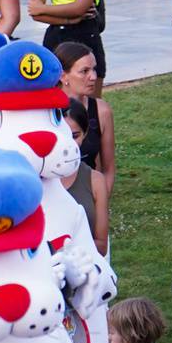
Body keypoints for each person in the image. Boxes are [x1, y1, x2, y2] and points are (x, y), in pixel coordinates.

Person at [56, 40, 114, 251]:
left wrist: (99, 203)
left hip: (89, 191)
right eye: (84, 71)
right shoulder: (46, 113)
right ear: (63, 76)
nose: (93, 76)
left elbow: (108, 167)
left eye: (94, 69)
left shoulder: (102, 110)